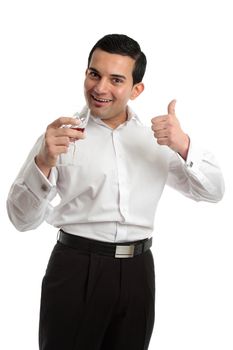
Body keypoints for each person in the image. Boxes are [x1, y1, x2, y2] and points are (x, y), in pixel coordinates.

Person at [7, 34, 224, 350]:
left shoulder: (156, 139)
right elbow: (21, 220)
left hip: (139, 273)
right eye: (94, 74)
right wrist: (43, 161)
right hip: (75, 269)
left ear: (137, 89)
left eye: (116, 79)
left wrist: (184, 145)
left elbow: (213, 192)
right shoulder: (60, 137)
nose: (100, 88)